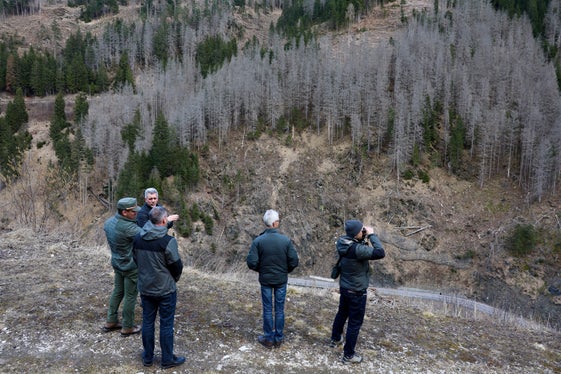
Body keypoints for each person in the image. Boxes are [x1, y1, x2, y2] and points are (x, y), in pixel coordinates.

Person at [133, 205, 185, 369]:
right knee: (166, 324)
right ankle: (167, 359)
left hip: (146, 287)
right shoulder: (168, 242)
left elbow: (136, 260)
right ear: (164, 220)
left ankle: (148, 357)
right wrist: (173, 279)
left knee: (148, 322)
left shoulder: (137, 238)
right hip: (165, 289)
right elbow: (177, 266)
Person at [330, 219, 385, 364]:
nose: (364, 231)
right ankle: (348, 355)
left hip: (345, 287)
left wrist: (362, 236)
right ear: (356, 233)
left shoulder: (343, 242)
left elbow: (356, 243)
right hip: (357, 292)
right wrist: (372, 235)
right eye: (362, 230)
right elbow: (380, 252)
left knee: (342, 313)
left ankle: (335, 338)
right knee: (355, 323)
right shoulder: (358, 250)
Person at [246, 209, 299, 349]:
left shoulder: (258, 241)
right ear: (275, 223)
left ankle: (268, 338)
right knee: (280, 310)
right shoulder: (285, 241)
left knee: (268, 309)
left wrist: (261, 270)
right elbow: (294, 261)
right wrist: (285, 270)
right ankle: (279, 338)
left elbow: (251, 262)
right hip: (281, 280)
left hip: (266, 280)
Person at [102, 197, 142, 336]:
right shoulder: (129, 227)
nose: (136, 213)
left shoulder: (108, 223)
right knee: (130, 296)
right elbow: (147, 236)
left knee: (118, 291)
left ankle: (111, 320)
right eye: (133, 212)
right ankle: (127, 326)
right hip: (131, 266)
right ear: (124, 212)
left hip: (117, 262)